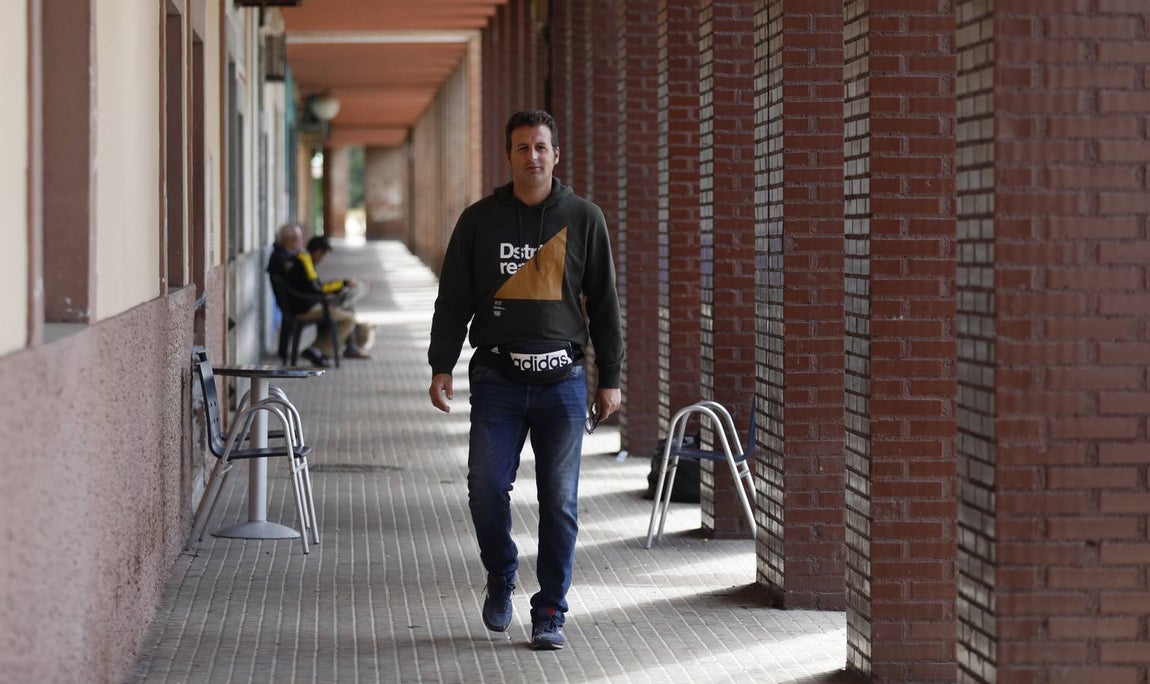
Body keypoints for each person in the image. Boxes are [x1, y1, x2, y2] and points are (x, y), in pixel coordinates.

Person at [427, 110, 623, 651]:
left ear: (556, 155)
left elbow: (604, 303)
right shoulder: (478, 221)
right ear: (508, 156)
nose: (531, 156)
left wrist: (611, 376)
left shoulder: (584, 218)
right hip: (497, 379)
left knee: (560, 500)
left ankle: (551, 610)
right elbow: (453, 300)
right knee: (485, 489)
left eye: (541, 146)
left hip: (563, 380)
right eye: (521, 147)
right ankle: (501, 573)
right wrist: (440, 364)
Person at [266, 224, 360, 367]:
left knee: (341, 308)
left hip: (302, 303)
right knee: (349, 318)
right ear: (318, 252)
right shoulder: (303, 259)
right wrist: (342, 284)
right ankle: (317, 350)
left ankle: (321, 350)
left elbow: (312, 286)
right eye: (296, 240)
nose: (299, 243)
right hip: (305, 307)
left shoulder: (290, 257)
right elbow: (317, 288)